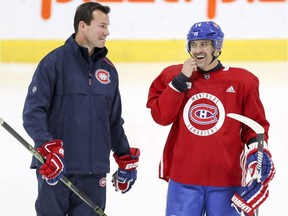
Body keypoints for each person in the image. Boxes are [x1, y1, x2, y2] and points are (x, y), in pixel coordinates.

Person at [146, 21, 275, 216]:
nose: (198, 50)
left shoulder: (242, 81)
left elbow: (253, 126)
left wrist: (257, 154)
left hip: (226, 178)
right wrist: (180, 81)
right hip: (184, 177)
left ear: (218, 46)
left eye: (205, 44)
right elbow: (161, 117)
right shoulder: (174, 75)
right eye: (194, 44)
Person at [22, 2, 140, 216]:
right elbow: (33, 112)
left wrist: (124, 157)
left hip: (94, 173)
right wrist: (47, 147)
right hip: (57, 168)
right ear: (83, 25)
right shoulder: (53, 63)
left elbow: (113, 121)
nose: (107, 32)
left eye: (107, 26)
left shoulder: (109, 70)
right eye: (102, 26)